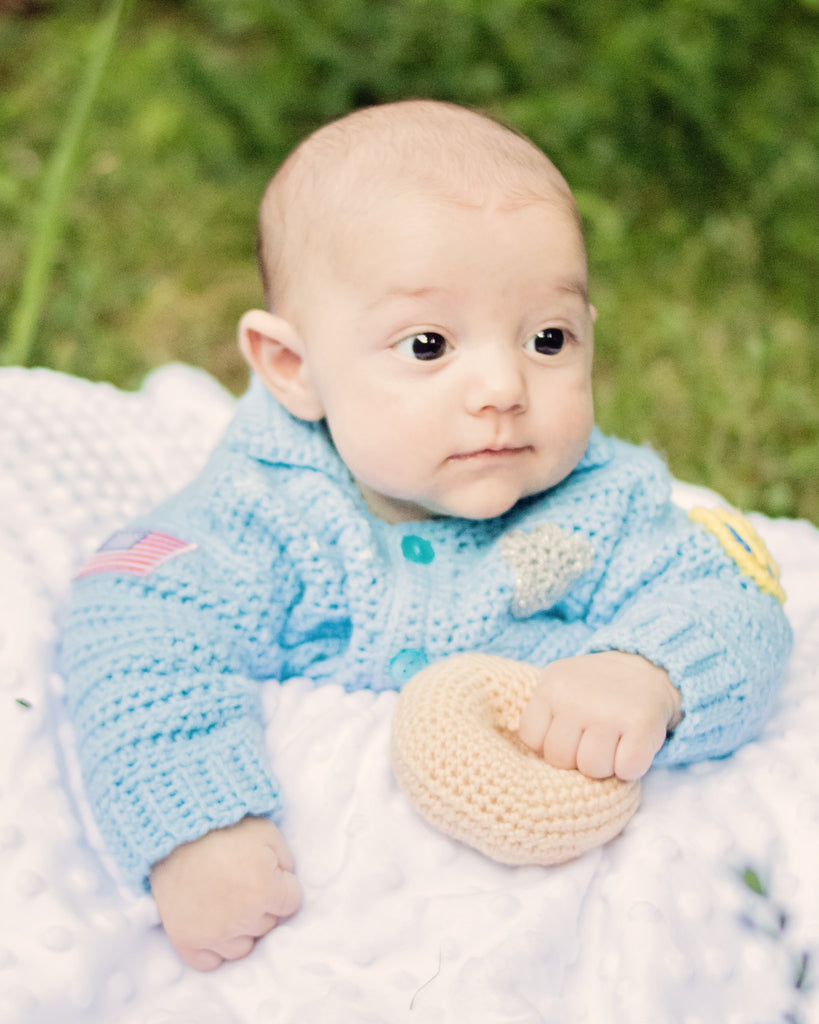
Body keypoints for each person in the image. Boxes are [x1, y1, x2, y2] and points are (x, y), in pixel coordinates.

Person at [60, 99, 792, 971]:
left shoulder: (597, 503)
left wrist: (650, 671)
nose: (502, 386)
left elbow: (732, 597)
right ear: (294, 370)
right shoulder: (266, 512)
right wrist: (198, 822)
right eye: (428, 344)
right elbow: (134, 617)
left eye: (546, 338)